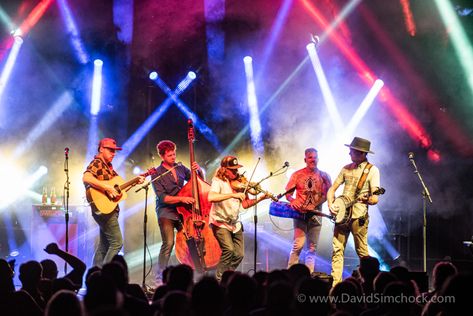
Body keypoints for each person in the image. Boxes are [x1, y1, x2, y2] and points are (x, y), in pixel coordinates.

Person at [327, 137, 380, 286]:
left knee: (362, 253)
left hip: (358, 217)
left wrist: (367, 199)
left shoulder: (372, 170)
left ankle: (370, 285)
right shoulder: (346, 168)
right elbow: (332, 189)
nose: (349, 153)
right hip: (341, 216)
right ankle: (335, 287)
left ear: (362, 153)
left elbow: (375, 198)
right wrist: (331, 203)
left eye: (352, 151)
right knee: (337, 250)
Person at [208, 155, 270, 281]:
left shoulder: (240, 183)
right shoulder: (218, 181)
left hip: (234, 223)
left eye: (237, 169)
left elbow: (246, 204)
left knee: (239, 254)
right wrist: (232, 195)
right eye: (233, 170)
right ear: (225, 169)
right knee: (229, 250)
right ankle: (219, 280)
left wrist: (261, 198)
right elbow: (211, 197)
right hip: (220, 222)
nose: (236, 172)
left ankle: (227, 276)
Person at [83, 138, 144, 267]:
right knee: (117, 242)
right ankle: (106, 275)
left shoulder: (109, 167)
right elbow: (86, 177)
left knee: (104, 246)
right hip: (105, 210)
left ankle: (95, 277)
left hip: (108, 208)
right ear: (101, 149)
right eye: (111, 150)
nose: (113, 153)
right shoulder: (97, 162)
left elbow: (120, 190)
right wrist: (106, 187)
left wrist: (134, 182)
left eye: (114, 151)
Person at [151, 140, 203, 280]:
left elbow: (196, 180)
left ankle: (196, 273)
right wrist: (182, 199)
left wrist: (198, 170)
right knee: (168, 243)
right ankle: (159, 277)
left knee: (191, 240)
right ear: (162, 156)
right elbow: (163, 198)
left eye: (174, 154)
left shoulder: (180, 167)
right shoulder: (156, 173)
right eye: (169, 155)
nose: (173, 157)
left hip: (182, 211)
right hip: (166, 212)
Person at [285, 148, 332, 273]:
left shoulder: (324, 175)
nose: (313, 160)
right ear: (305, 159)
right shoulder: (297, 174)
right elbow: (288, 194)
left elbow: (328, 194)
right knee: (298, 245)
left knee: (312, 248)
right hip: (300, 215)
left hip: (316, 216)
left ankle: (308, 275)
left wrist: (315, 204)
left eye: (315, 157)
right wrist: (293, 200)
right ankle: (290, 273)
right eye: (310, 157)